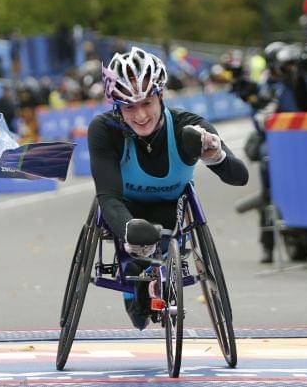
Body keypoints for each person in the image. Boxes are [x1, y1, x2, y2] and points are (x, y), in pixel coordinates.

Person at [88, 47, 248, 330]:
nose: (140, 115)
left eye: (147, 103)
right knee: (137, 301)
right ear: (117, 107)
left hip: (171, 211)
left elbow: (240, 177)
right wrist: (128, 229)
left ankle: (146, 279)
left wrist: (217, 157)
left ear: (161, 95)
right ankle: (134, 281)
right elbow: (108, 196)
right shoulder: (105, 130)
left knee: (154, 253)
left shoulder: (189, 128)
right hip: (125, 211)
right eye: (129, 107)